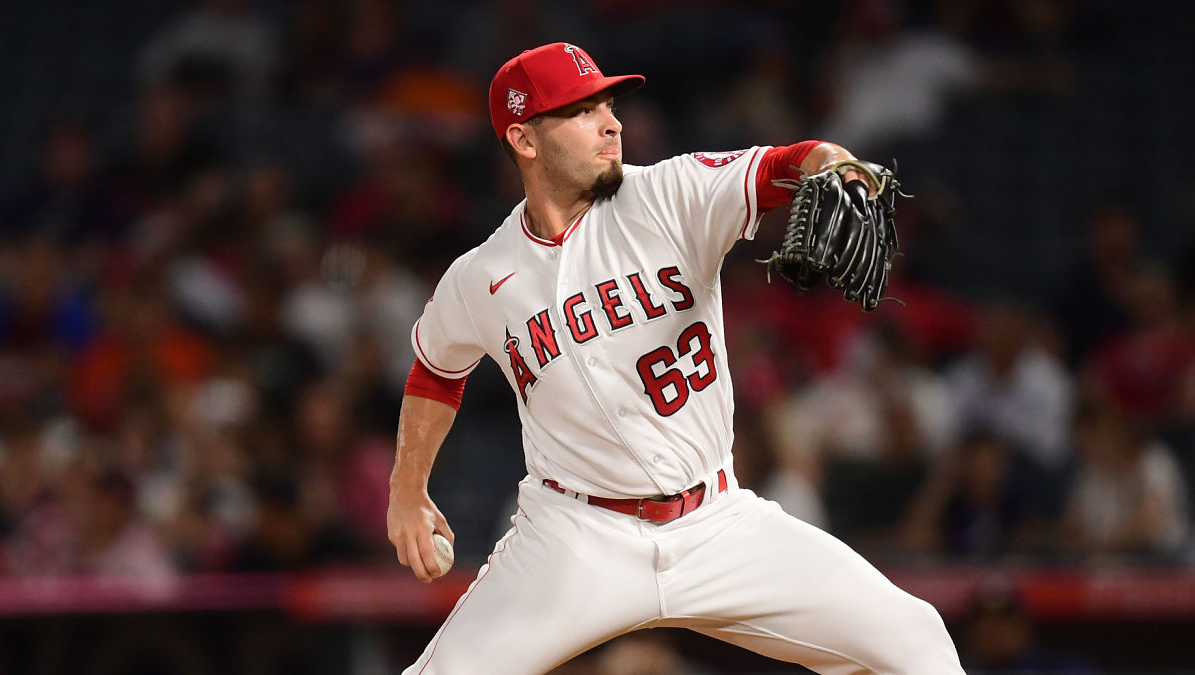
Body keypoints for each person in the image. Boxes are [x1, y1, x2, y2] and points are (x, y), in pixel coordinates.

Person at [386, 42, 963, 673]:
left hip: (716, 522)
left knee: (915, 640)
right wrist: (407, 491)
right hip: (576, 537)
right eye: (582, 111)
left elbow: (788, 163)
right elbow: (435, 373)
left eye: (609, 105)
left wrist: (838, 164)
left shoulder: (668, 194)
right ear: (524, 139)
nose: (612, 123)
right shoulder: (480, 278)